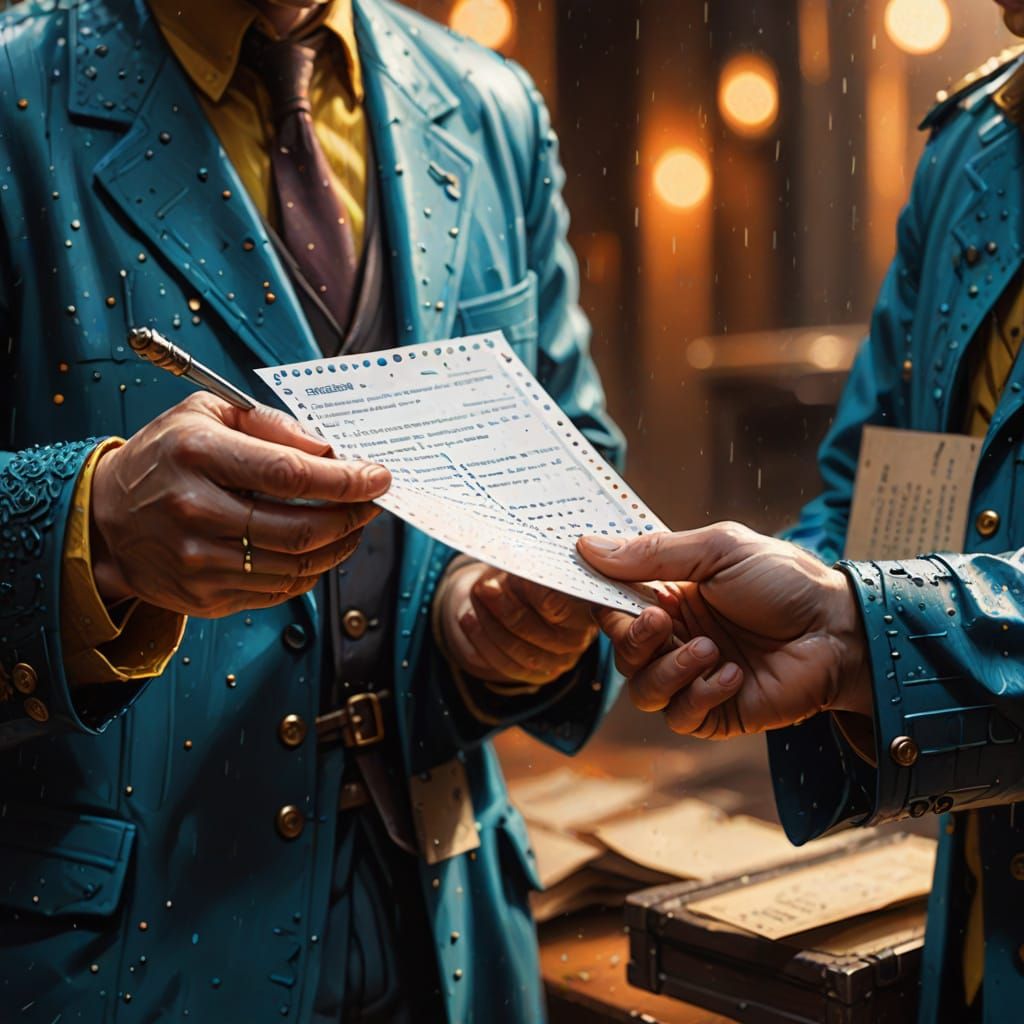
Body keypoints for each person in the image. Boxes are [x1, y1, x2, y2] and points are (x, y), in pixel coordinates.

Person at [0, 0, 624, 1020]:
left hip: (456, 937)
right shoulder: (16, 98)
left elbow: (575, 457)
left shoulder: (490, 106)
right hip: (124, 954)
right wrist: (96, 527)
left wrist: (493, 624)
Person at [579, 10, 1024, 1024]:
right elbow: (881, 495)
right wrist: (766, 616)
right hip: (970, 948)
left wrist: (849, 630)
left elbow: (864, 601)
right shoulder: (971, 148)